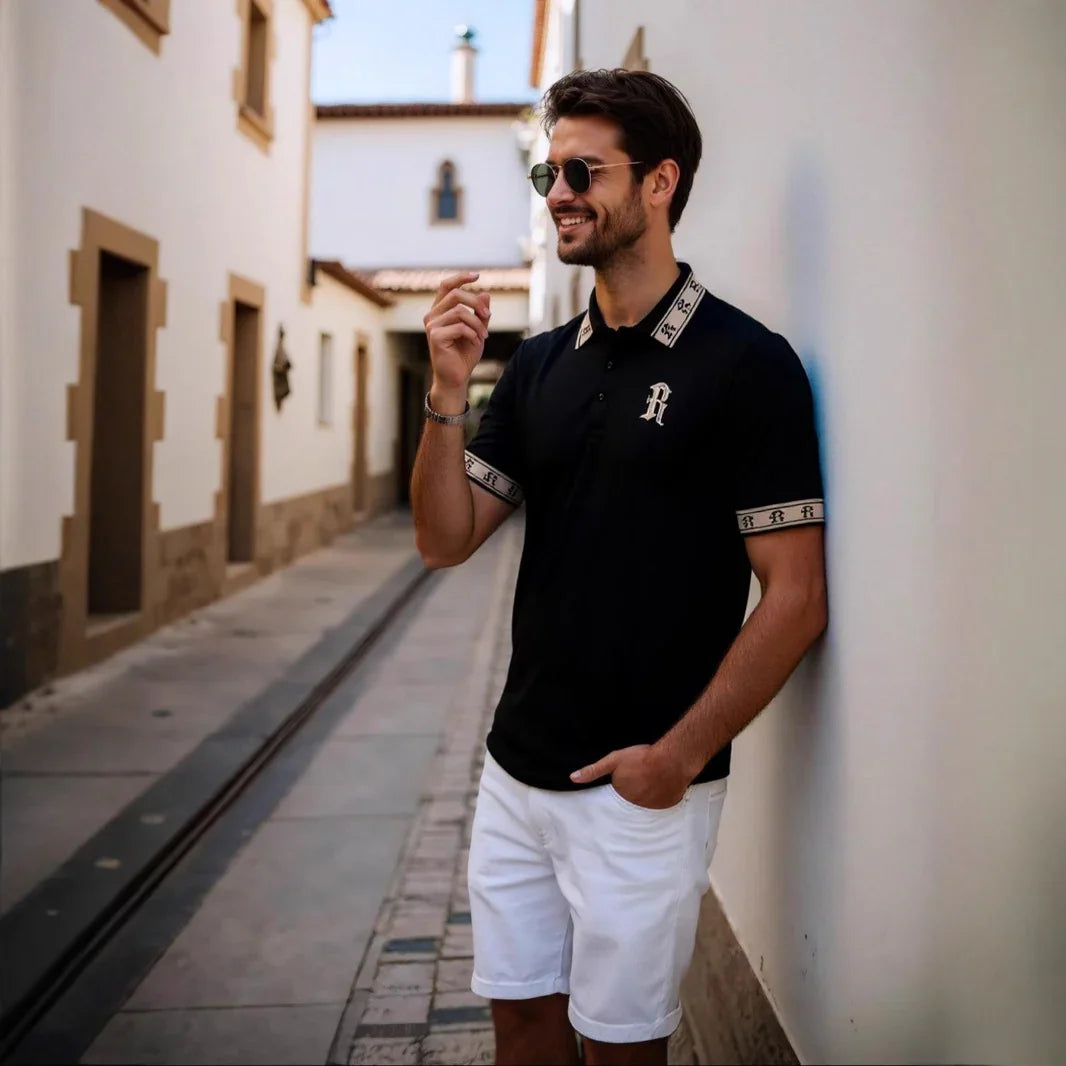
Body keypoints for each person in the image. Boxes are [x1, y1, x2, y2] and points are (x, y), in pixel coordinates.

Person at [412, 68, 827, 1066]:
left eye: (581, 170)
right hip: (517, 770)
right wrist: (443, 393)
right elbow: (444, 537)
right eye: (546, 171)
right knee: (519, 1024)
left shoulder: (745, 364)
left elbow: (796, 595)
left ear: (658, 182)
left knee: (621, 1050)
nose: (557, 192)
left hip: (644, 790)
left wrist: (676, 757)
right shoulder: (542, 365)